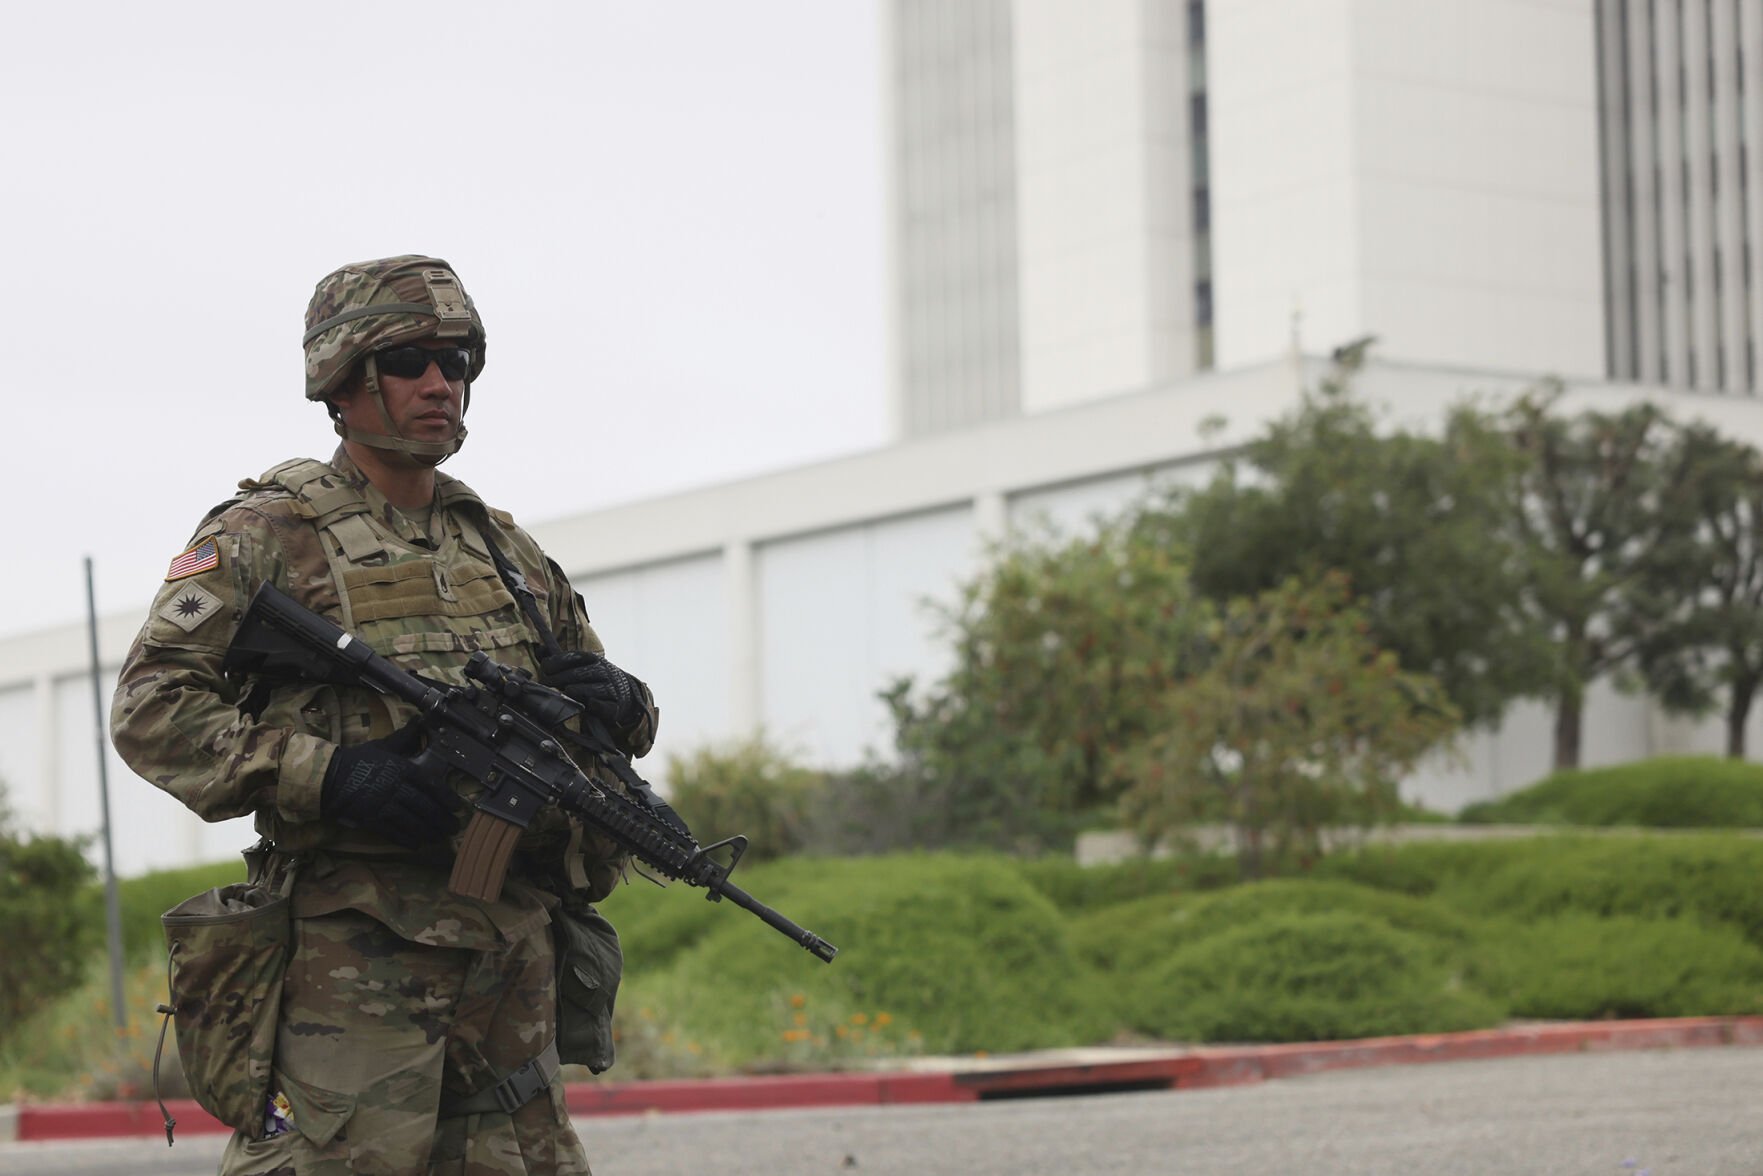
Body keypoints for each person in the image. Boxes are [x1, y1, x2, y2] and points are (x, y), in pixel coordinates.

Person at [112, 255, 656, 1175]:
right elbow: (152, 709)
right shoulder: (265, 535)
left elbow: (587, 714)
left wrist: (623, 707)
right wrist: (330, 774)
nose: (441, 384)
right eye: (410, 362)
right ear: (342, 379)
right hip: (354, 960)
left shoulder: (500, 544)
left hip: (508, 955)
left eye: (458, 361)